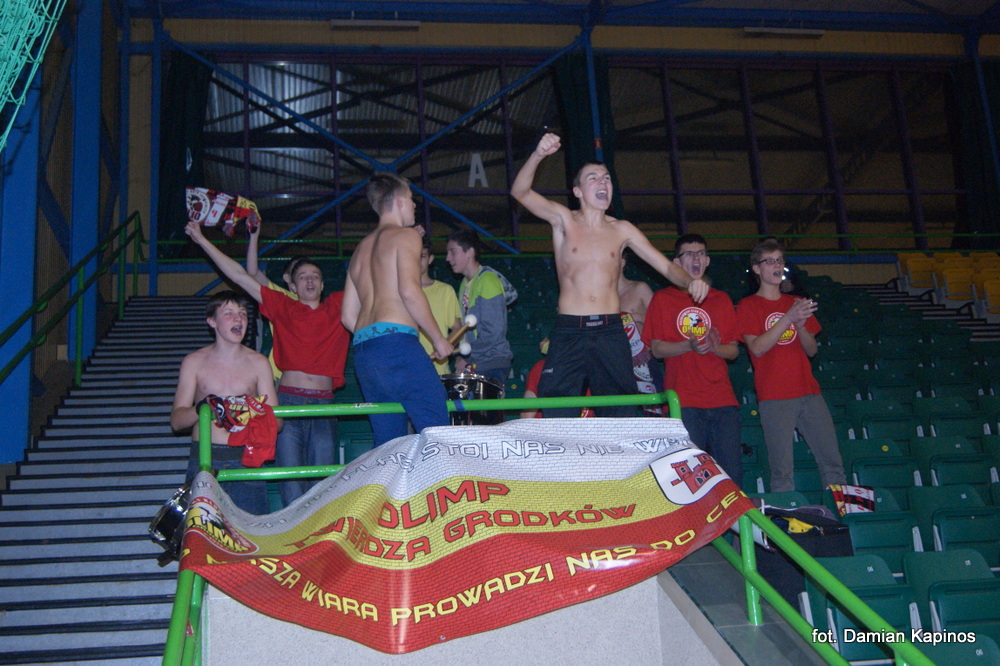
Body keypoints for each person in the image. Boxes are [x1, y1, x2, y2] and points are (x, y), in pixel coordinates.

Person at [511, 132, 708, 417]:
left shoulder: (622, 229)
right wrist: (538, 154)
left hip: (610, 331)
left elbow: (664, 266)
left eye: (606, 178)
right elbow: (520, 192)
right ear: (578, 191)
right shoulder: (563, 219)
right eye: (593, 178)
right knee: (557, 411)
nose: (603, 182)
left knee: (620, 411)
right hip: (570, 329)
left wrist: (691, 282)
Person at [186, 221, 350, 506]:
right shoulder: (283, 305)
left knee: (324, 485)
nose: (310, 281)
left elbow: (370, 274)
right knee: (290, 484)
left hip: (325, 404)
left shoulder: (338, 305)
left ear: (323, 284)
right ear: (292, 285)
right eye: (303, 277)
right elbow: (240, 275)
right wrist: (202, 240)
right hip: (287, 400)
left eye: (315, 276)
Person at [342, 171, 453, 445]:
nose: (415, 205)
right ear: (400, 201)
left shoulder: (359, 249)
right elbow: (409, 291)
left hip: (364, 353)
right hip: (397, 346)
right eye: (412, 198)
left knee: (388, 445)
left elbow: (347, 316)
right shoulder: (407, 236)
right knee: (437, 435)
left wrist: (377, 337)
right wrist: (438, 339)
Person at [736, 238, 846, 493]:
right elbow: (757, 348)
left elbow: (812, 350)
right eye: (770, 261)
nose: (777, 265)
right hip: (775, 395)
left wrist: (800, 326)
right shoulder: (748, 305)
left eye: (780, 260)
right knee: (782, 470)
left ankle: (842, 511)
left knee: (832, 461)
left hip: (808, 390)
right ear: (757, 269)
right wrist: (787, 319)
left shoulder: (796, 302)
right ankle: (786, 514)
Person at [642, 234, 743, 489]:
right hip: (684, 402)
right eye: (689, 253)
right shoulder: (663, 299)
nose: (696, 258)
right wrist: (689, 345)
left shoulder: (720, 299)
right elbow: (657, 349)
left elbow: (733, 352)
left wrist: (713, 347)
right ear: (676, 263)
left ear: (707, 261)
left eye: (701, 253)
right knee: (690, 481)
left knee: (730, 477)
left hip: (722, 400)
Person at [170, 290, 279, 515]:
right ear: (212, 321)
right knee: (204, 531)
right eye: (229, 313)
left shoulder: (259, 363)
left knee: (250, 530)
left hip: (246, 459)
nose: (239, 319)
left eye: (243, 313)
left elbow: (278, 422)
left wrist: (251, 413)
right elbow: (177, 421)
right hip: (205, 458)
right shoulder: (194, 361)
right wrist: (203, 408)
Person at [445, 229, 514, 387]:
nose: (448, 258)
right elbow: (466, 331)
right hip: (478, 361)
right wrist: (461, 355)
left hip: (491, 364)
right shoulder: (465, 284)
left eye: (452, 252)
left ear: (470, 252)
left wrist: (467, 357)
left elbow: (493, 332)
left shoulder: (487, 280)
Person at [618, 250, 663, 415]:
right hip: (618, 364)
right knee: (622, 414)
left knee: (654, 414)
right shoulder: (603, 298)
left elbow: (661, 321)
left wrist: (636, 318)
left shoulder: (639, 288)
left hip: (644, 359)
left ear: (622, 262)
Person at [418, 236, 462, 376]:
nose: (416, 261)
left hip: (438, 372)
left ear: (430, 259)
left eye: (422, 256)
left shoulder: (445, 291)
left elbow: (457, 329)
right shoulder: (397, 292)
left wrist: (444, 346)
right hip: (407, 371)